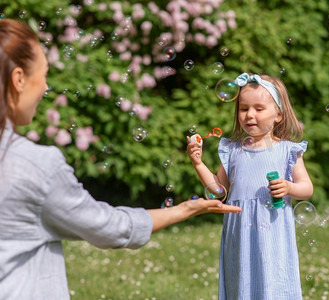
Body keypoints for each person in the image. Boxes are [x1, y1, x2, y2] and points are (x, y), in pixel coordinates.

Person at [0, 19, 241, 300]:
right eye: (44, 74)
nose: (45, 87)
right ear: (19, 79)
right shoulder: (37, 166)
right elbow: (110, 228)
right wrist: (187, 209)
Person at [187, 72, 314, 299]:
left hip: (273, 235)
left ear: (278, 115)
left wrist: (289, 187)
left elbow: (307, 187)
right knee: (241, 284)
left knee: (274, 284)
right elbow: (218, 191)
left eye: (258, 108)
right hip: (240, 236)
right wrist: (198, 163)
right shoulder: (233, 151)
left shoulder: (288, 150)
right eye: (244, 109)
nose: (249, 115)